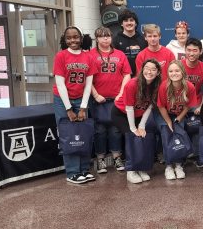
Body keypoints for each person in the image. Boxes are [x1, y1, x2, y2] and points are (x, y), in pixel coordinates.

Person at [53, 26, 97, 184]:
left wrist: (83, 107)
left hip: (81, 99)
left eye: (76, 37)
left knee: (84, 133)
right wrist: (69, 109)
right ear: (65, 40)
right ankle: (72, 172)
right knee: (69, 135)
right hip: (63, 99)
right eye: (69, 38)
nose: (73, 40)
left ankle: (84, 170)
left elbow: (88, 84)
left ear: (81, 38)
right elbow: (60, 84)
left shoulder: (88, 57)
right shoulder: (61, 56)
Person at [112, 59, 162, 184]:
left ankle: (141, 167)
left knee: (144, 135)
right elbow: (129, 108)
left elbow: (149, 106)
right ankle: (131, 170)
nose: (149, 72)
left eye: (153, 69)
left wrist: (141, 125)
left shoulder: (157, 85)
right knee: (132, 137)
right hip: (121, 114)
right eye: (147, 68)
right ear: (142, 69)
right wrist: (134, 128)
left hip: (139, 115)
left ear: (158, 72)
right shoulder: (132, 84)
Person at [89, 26, 131, 174]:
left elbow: (127, 74)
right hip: (98, 99)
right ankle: (100, 159)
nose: (105, 39)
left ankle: (116, 157)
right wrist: (95, 95)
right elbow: (88, 79)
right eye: (102, 36)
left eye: (108, 36)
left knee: (115, 130)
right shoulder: (90, 55)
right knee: (99, 130)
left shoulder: (119, 54)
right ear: (97, 39)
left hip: (116, 98)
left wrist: (121, 93)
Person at [157, 60, 198, 180]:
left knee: (180, 134)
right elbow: (161, 106)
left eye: (177, 70)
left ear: (182, 72)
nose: (173, 73)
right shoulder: (164, 86)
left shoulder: (189, 86)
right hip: (165, 114)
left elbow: (188, 105)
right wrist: (168, 121)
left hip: (179, 114)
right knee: (167, 135)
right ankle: (169, 165)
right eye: (170, 71)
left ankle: (179, 165)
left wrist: (180, 118)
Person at [182, 38, 203, 167]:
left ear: (200, 52)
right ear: (185, 51)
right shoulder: (179, 65)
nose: (192, 53)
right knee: (179, 127)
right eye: (189, 50)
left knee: (198, 127)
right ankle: (180, 155)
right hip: (180, 103)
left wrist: (201, 106)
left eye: (195, 50)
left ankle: (198, 155)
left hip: (196, 103)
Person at [112, 9, 147, 76]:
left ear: (136, 23)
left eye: (131, 20)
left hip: (141, 77)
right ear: (121, 24)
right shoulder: (115, 40)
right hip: (122, 77)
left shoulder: (143, 40)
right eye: (126, 21)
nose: (129, 23)